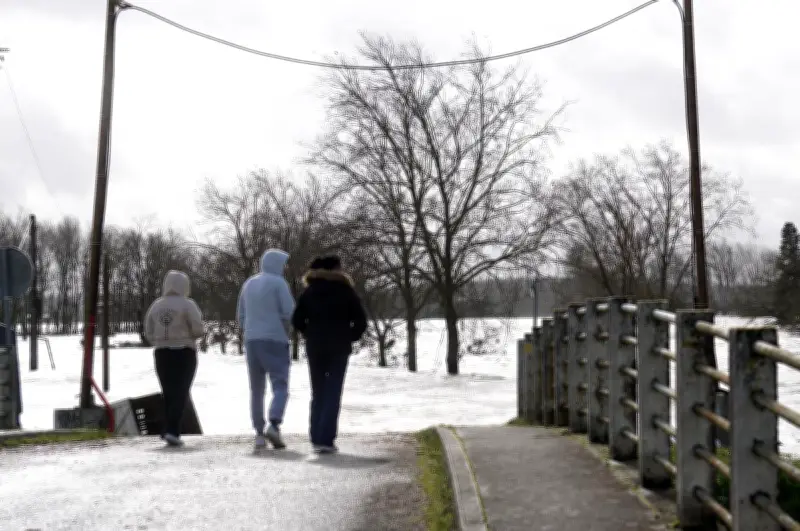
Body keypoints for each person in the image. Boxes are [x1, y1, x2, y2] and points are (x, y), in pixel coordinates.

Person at [292, 255, 367, 454]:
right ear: (334, 269)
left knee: (318, 392)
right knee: (333, 391)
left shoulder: (309, 292)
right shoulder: (346, 291)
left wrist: (309, 333)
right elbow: (361, 321)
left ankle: (316, 436)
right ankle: (326, 439)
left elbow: (297, 320)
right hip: (339, 347)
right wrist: (349, 336)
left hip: (315, 346)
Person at [237, 249, 295, 450]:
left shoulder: (249, 284)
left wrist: (250, 330)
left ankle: (259, 433)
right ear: (277, 264)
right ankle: (274, 423)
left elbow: (241, 315)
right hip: (274, 339)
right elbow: (289, 312)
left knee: (256, 389)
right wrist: (286, 329)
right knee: (280, 384)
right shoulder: (279, 283)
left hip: (252, 340)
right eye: (283, 264)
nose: (284, 268)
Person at [144, 270, 205, 447]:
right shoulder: (188, 304)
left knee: (168, 391)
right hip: (184, 351)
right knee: (181, 390)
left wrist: (158, 339)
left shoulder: (156, 305)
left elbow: (148, 330)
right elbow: (197, 329)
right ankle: (172, 430)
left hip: (161, 352)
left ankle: (168, 428)